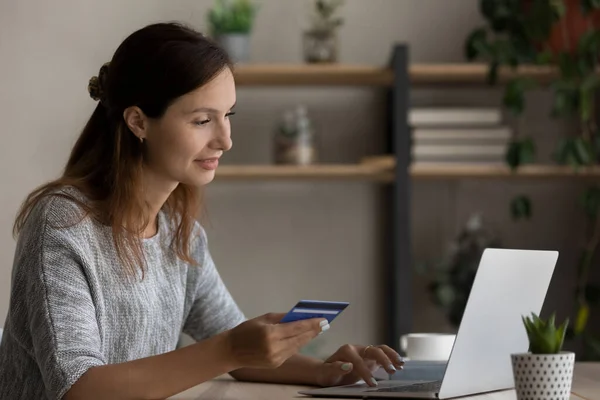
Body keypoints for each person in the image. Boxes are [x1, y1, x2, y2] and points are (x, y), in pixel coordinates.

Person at [0, 22, 404, 400]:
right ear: (138, 122)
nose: (225, 141)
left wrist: (326, 372)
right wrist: (230, 349)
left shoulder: (180, 233)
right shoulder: (63, 224)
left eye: (227, 115)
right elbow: (78, 388)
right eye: (202, 120)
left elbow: (237, 346)